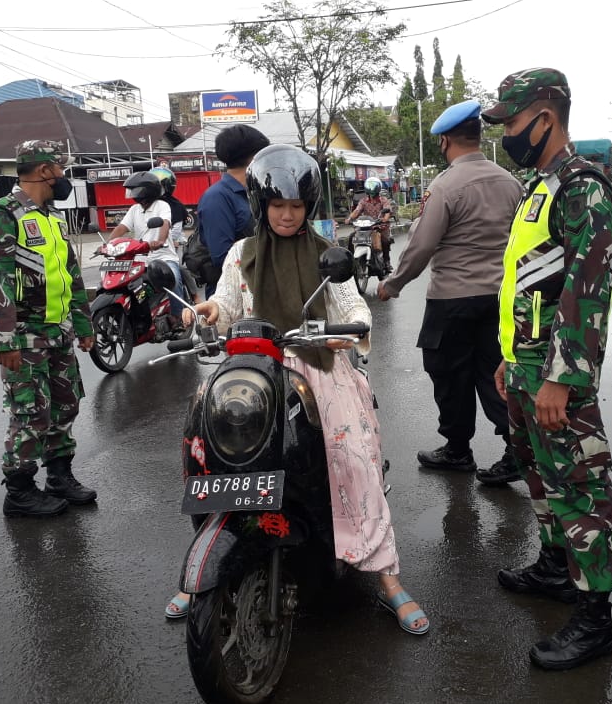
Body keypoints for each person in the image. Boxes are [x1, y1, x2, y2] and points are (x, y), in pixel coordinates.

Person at [166, 145, 429, 637]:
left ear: (308, 207)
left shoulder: (326, 255)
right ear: (261, 205)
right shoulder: (240, 254)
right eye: (278, 206)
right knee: (207, 450)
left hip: (316, 367)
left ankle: (388, 577)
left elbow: (355, 308)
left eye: (296, 207)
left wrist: (343, 328)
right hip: (252, 368)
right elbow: (226, 303)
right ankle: (201, 567)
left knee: (354, 458)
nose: (287, 216)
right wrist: (205, 312)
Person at [482, 67, 612, 670]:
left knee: (580, 491)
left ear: (546, 115)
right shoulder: (540, 184)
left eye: (511, 122)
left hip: (554, 375)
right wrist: (510, 363)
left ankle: (596, 621)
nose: (506, 133)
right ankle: (553, 567)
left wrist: (561, 378)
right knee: (540, 478)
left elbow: (586, 293)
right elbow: (527, 282)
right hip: (524, 367)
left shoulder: (581, 187)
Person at [377, 99, 523, 486]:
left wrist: (393, 284)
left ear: (444, 141)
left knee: (449, 375)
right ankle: (516, 450)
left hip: (452, 300)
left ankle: (458, 450)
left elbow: (422, 245)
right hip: (499, 299)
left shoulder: (445, 186)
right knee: (496, 373)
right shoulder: (511, 183)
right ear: (478, 136)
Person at [0, 140, 97, 517]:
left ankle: (59, 476)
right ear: (45, 170)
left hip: (57, 331)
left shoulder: (52, 217)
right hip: (25, 337)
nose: (64, 176)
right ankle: (20, 490)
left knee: (65, 405)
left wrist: (82, 323)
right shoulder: (4, 215)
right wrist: (4, 341)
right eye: (60, 168)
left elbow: (70, 274)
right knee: (30, 413)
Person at [196, 124, 270, 296]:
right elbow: (222, 257)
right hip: (232, 297)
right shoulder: (217, 198)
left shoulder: (252, 193)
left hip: (258, 289)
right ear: (253, 159)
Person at [108, 171, 187, 321]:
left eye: (134, 190)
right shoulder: (134, 210)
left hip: (163, 256)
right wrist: (108, 244)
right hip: (140, 258)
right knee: (123, 282)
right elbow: (122, 228)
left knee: (174, 279)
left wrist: (160, 241)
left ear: (146, 191)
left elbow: (165, 223)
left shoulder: (162, 205)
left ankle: (179, 317)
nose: (132, 194)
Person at [150, 166, 201, 303]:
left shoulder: (175, 205)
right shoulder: (148, 205)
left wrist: (160, 241)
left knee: (179, 268)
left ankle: (194, 295)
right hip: (153, 245)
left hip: (175, 243)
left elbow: (176, 231)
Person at [346, 177, 394, 273]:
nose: (372, 192)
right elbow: (357, 211)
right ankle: (350, 260)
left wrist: (385, 218)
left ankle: (386, 261)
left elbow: (387, 211)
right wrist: (350, 218)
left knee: (385, 240)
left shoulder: (383, 200)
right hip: (366, 226)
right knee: (351, 237)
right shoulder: (363, 201)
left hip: (380, 226)